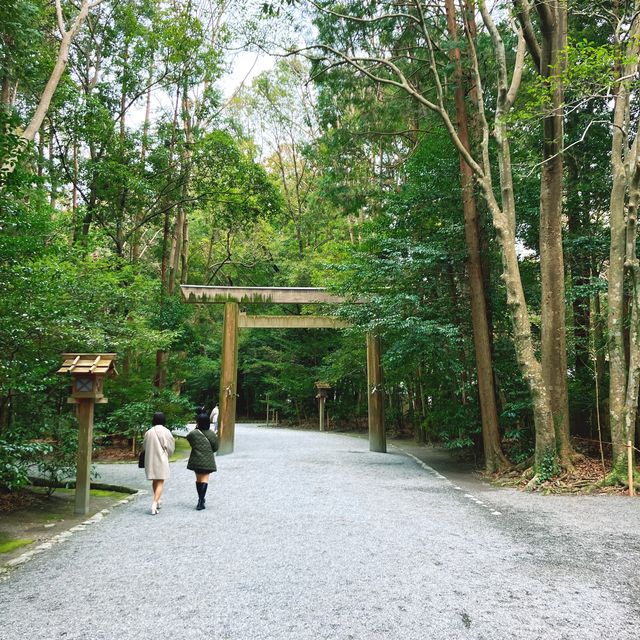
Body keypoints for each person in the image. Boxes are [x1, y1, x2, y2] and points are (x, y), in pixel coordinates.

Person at [142, 412, 175, 515]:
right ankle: (154, 503)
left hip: (150, 459)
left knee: (155, 481)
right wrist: (168, 454)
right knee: (160, 481)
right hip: (162, 459)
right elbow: (170, 446)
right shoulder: (166, 431)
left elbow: (144, 446)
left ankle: (158, 500)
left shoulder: (149, 432)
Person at [186, 407, 219, 510]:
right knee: (204, 480)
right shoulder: (212, 434)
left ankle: (200, 499)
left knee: (198, 479)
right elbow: (215, 447)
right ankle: (201, 501)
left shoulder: (193, 434)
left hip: (196, 460)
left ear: (198, 422)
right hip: (208, 460)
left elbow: (190, 440)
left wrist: (196, 428)